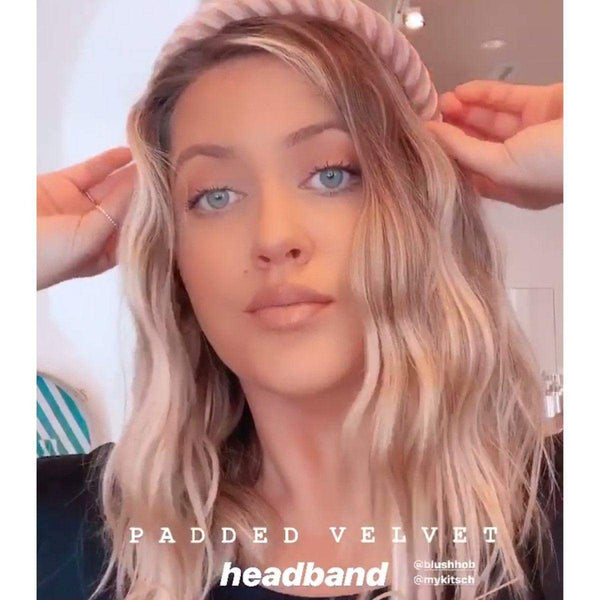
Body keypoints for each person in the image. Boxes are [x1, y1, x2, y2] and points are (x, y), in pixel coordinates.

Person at [37, 2, 563, 600]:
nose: (273, 237)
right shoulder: (68, 536)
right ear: (175, 258)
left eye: (331, 174)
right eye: (216, 195)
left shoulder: (560, 514)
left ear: (418, 213)